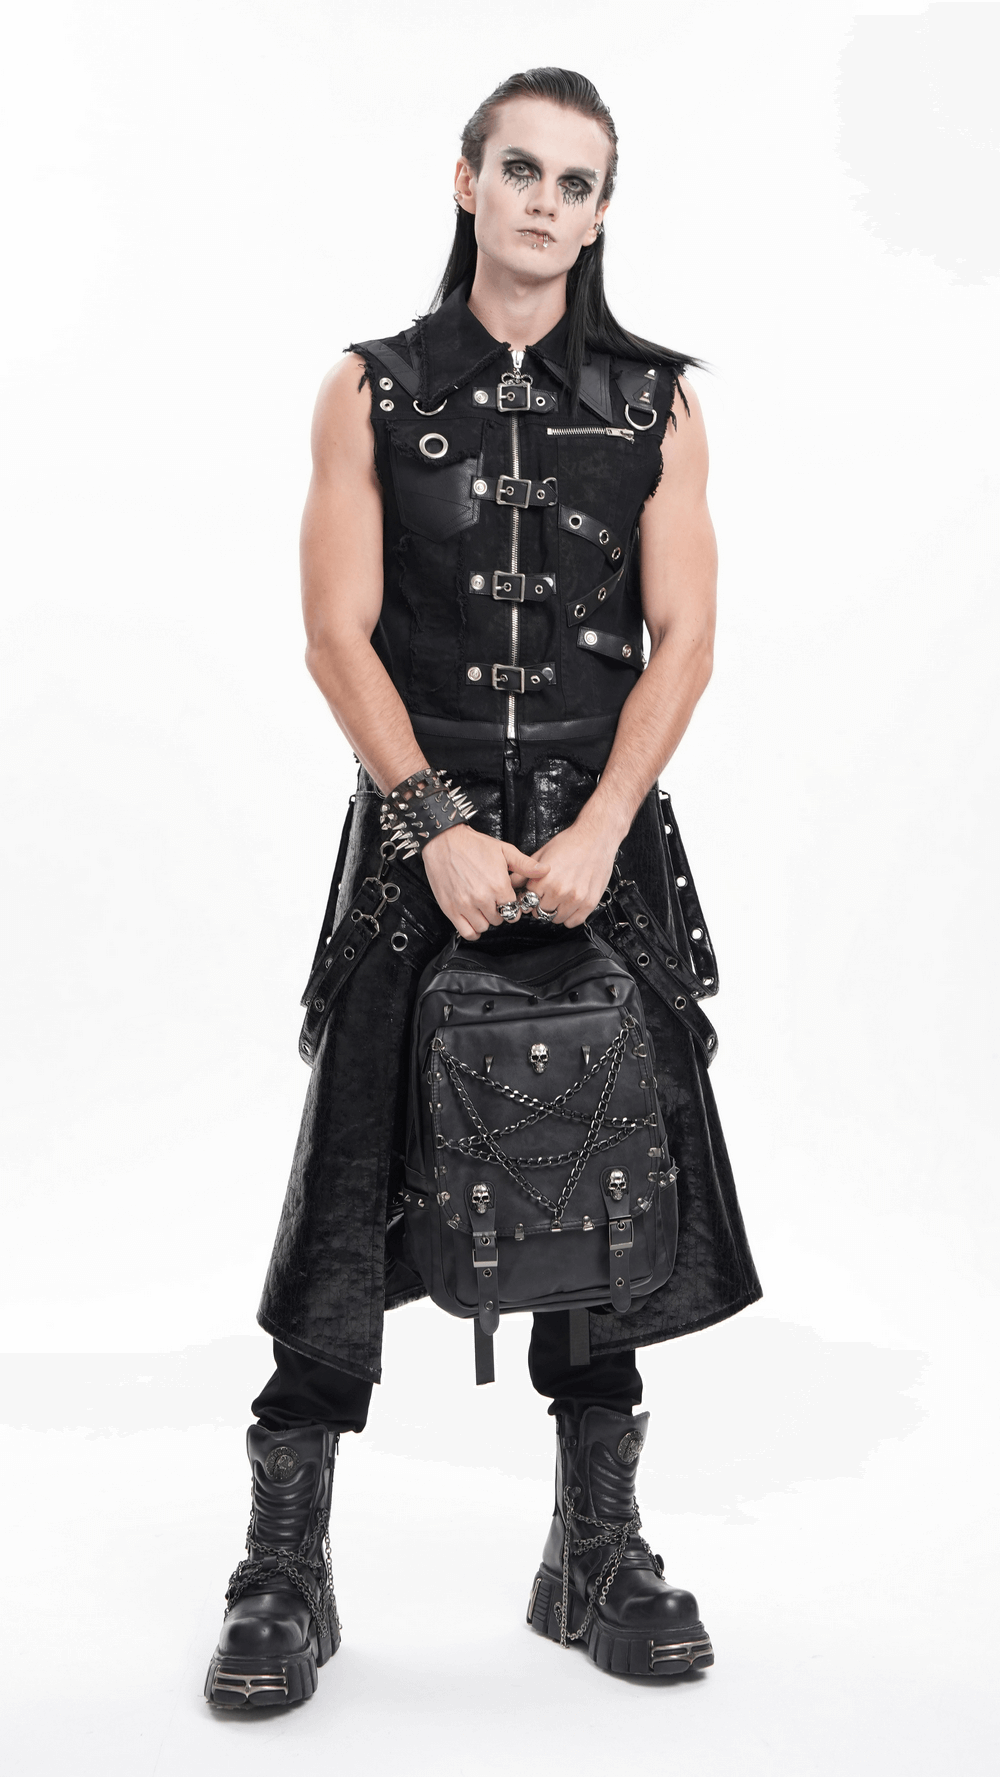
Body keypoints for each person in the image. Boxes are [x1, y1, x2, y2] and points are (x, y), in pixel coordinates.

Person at [205, 66, 761, 1709]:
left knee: (605, 1178)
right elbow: (335, 636)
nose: (545, 204)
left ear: (601, 213)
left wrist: (599, 829)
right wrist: (434, 821)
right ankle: (284, 1569)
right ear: (467, 183)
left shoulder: (658, 404)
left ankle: (597, 1551)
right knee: (350, 1188)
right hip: (414, 843)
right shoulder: (369, 391)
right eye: (521, 170)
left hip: (602, 840)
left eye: (578, 184)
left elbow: (687, 640)